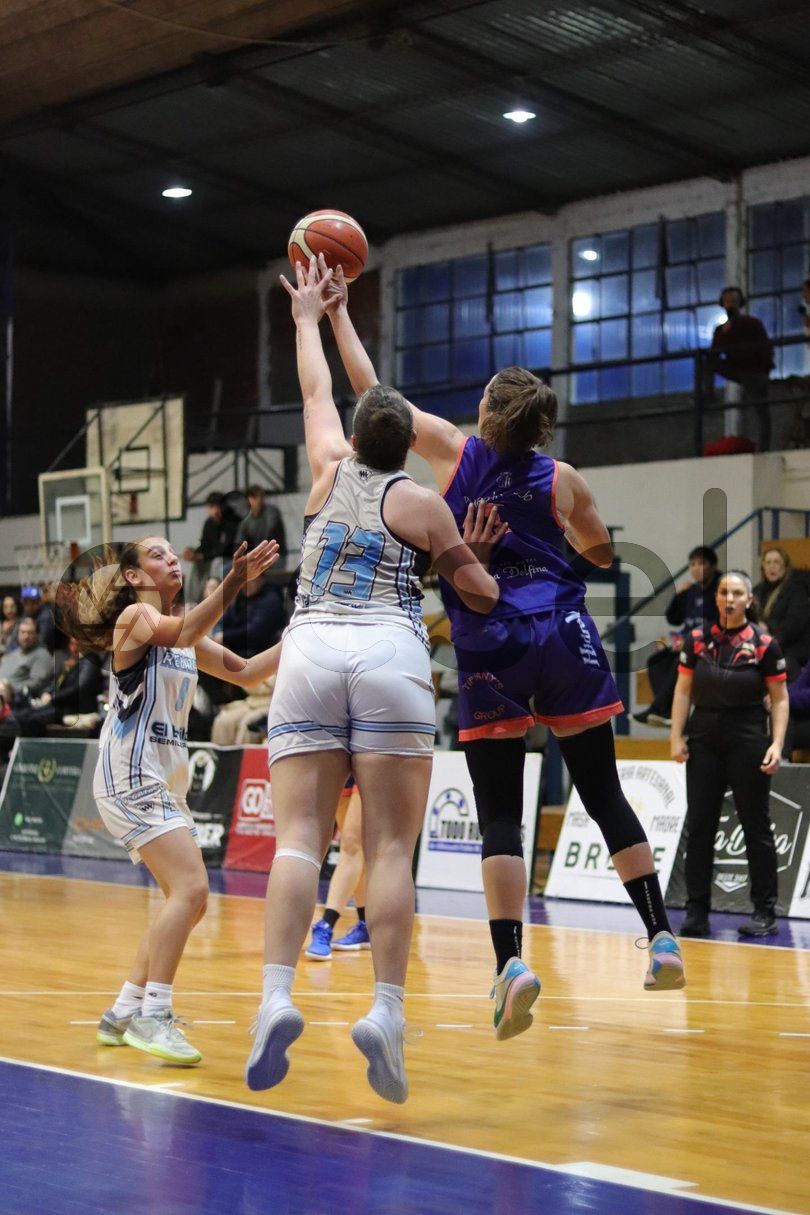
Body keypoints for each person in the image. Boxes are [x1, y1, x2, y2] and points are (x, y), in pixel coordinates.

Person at [326, 265, 686, 1041]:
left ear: (490, 412)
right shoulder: (564, 478)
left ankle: (511, 962)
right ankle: (660, 935)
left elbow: (372, 391)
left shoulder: (456, 456)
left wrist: (336, 312)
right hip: (561, 632)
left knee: (498, 811)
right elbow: (601, 552)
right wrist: (549, 547)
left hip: (490, 636)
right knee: (603, 791)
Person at [245, 257, 502, 1104]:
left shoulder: (326, 469)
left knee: (298, 839)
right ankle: (385, 1012)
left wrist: (307, 316)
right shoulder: (425, 503)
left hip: (311, 648)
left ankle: (275, 996)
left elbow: (316, 387)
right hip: (390, 652)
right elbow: (480, 593)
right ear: (403, 444)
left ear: (355, 438)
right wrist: (473, 553)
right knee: (389, 847)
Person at [57, 535, 280, 1066]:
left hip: (159, 779)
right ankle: (154, 1016)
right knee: (192, 889)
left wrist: (310, 628)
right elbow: (181, 630)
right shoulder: (134, 618)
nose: (172, 559)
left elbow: (248, 672)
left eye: (173, 553)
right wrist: (234, 581)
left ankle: (123, 1010)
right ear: (133, 577)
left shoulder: (186, 632)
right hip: (130, 774)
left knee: (187, 901)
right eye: (157, 555)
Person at [670, 571, 788, 938]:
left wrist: (776, 743)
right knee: (700, 825)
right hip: (704, 736)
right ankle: (696, 911)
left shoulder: (764, 644)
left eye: (737, 593)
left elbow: (780, 699)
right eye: (724, 592)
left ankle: (765, 911)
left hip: (748, 735)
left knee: (755, 824)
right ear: (716, 598)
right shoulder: (696, 640)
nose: (730, 598)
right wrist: (676, 736)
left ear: (749, 600)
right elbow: (683, 691)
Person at [634, 546, 721, 728]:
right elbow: (673, 619)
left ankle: (659, 708)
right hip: (687, 642)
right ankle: (667, 711)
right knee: (655, 661)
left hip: (710, 645)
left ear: (713, 566)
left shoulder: (721, 589)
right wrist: (678, 596)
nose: (696, 568)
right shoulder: (691, 590)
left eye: (701, 563)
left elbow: (719, 624)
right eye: (692, 564)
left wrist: (689, 641)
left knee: (680, 660)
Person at [305, 780, 368, 959]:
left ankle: (326, 924)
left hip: (371, 763)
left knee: (351, 843)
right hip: (341, 764)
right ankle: (366, 924)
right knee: (356, 847)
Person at [706, 287, 774, 451]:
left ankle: (764, 448)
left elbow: (766, 349)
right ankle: (707, 395)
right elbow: (714, 355)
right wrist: (723, 334)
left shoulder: (752, 323)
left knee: (761, 411)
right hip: (736, 368)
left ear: (740, 303)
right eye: (727, 301)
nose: (730, 305)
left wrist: (764, 372)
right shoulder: (721, 330)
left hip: (753, 371)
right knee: (706, 363)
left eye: (733, 301)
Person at [9, 637, 104, 736]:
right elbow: (54, 682)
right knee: (21, 715)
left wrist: (53, 697)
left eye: (77, 645)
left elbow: (79, 688)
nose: (74, 648)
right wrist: (47, 693)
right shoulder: (72, 661)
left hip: (75, 708)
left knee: (32, 719)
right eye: (72, 644)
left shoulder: (90, 661)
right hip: (60, 705)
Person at [752, 546, 810, 681]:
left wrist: (767, 630)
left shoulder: (797, 590)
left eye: (776, 562)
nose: (772, 566)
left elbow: (794, 625)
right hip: (761, 645)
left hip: (789, 649)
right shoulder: (757, 590)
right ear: (763, 567)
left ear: (785, 567)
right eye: (768, 562)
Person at [182, 492, 239, 604]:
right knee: (197, 564)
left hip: (230, 560)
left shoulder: (233, 522)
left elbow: (225, 550)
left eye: (218, 506)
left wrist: (202, 556)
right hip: (213, 559)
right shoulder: (209, 523)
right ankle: (192, 603)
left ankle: (211, 597)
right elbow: (204, 545)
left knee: (216, 563)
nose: (215, 511)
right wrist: (193, 553)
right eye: (212, 507)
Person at [0, 617, 52, 699]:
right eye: (22, 632)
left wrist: (9, 688)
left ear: (37, 635)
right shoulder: (13, 653)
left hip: (15, 699)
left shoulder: (42, 655)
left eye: (30, 633)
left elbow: (37, 683)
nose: (26, 636)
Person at [235, 485, 287, 560]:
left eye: (261, 496)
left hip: (276, 555)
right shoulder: (246, 518)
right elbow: (239, 541)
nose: (259, 500)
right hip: (257, 556)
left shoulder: (272, 512)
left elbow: (270, 531)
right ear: (248, 500)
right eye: (255, 497)